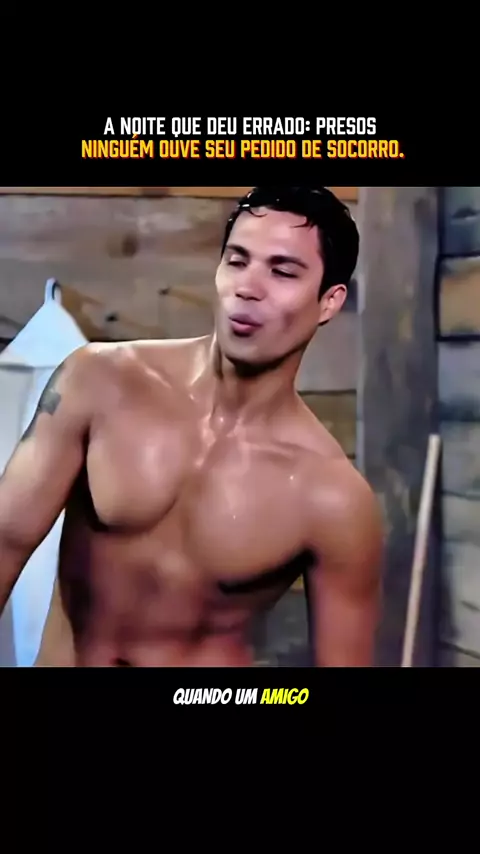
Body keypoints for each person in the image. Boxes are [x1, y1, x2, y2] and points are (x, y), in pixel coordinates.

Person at [0, 185, 384, 667]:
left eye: (282, 271)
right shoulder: (99, 383)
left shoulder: (333, 499)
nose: (248, 287)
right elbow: (5, 542)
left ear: (329, 301)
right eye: (237, 261)